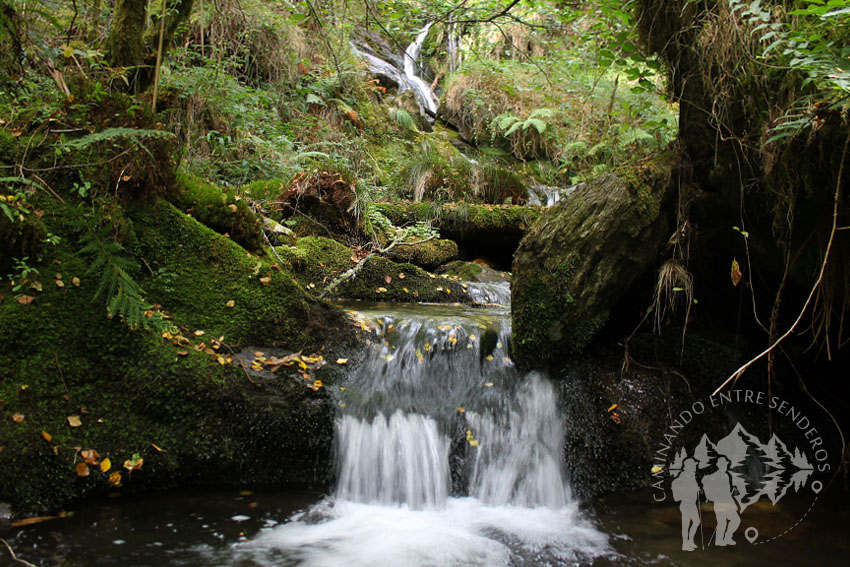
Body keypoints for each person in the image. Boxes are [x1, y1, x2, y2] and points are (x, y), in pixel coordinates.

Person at [701, 456, 741, 546]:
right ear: (718, 465)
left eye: (725, 464)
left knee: (736, 520)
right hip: (719, 502)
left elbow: (727, 490)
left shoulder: (727, 475)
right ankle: (719, 540)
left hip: (728, 502)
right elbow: (710, 490)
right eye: (722, 464)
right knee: (722, 522)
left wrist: (733, 490)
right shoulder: (713, 477)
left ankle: (727, 537)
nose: (724, 466)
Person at [671, 457, 701, 551]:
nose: (695, 467)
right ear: (688, 466)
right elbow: (679, 490)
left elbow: (694, 486)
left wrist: (697, 489)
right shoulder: (682, 477)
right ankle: (685, 544)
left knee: (696, 522)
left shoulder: (692, 475)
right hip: (685, 504)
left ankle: (690, 541)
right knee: (686, 524)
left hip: (692, 504)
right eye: (693, 466)